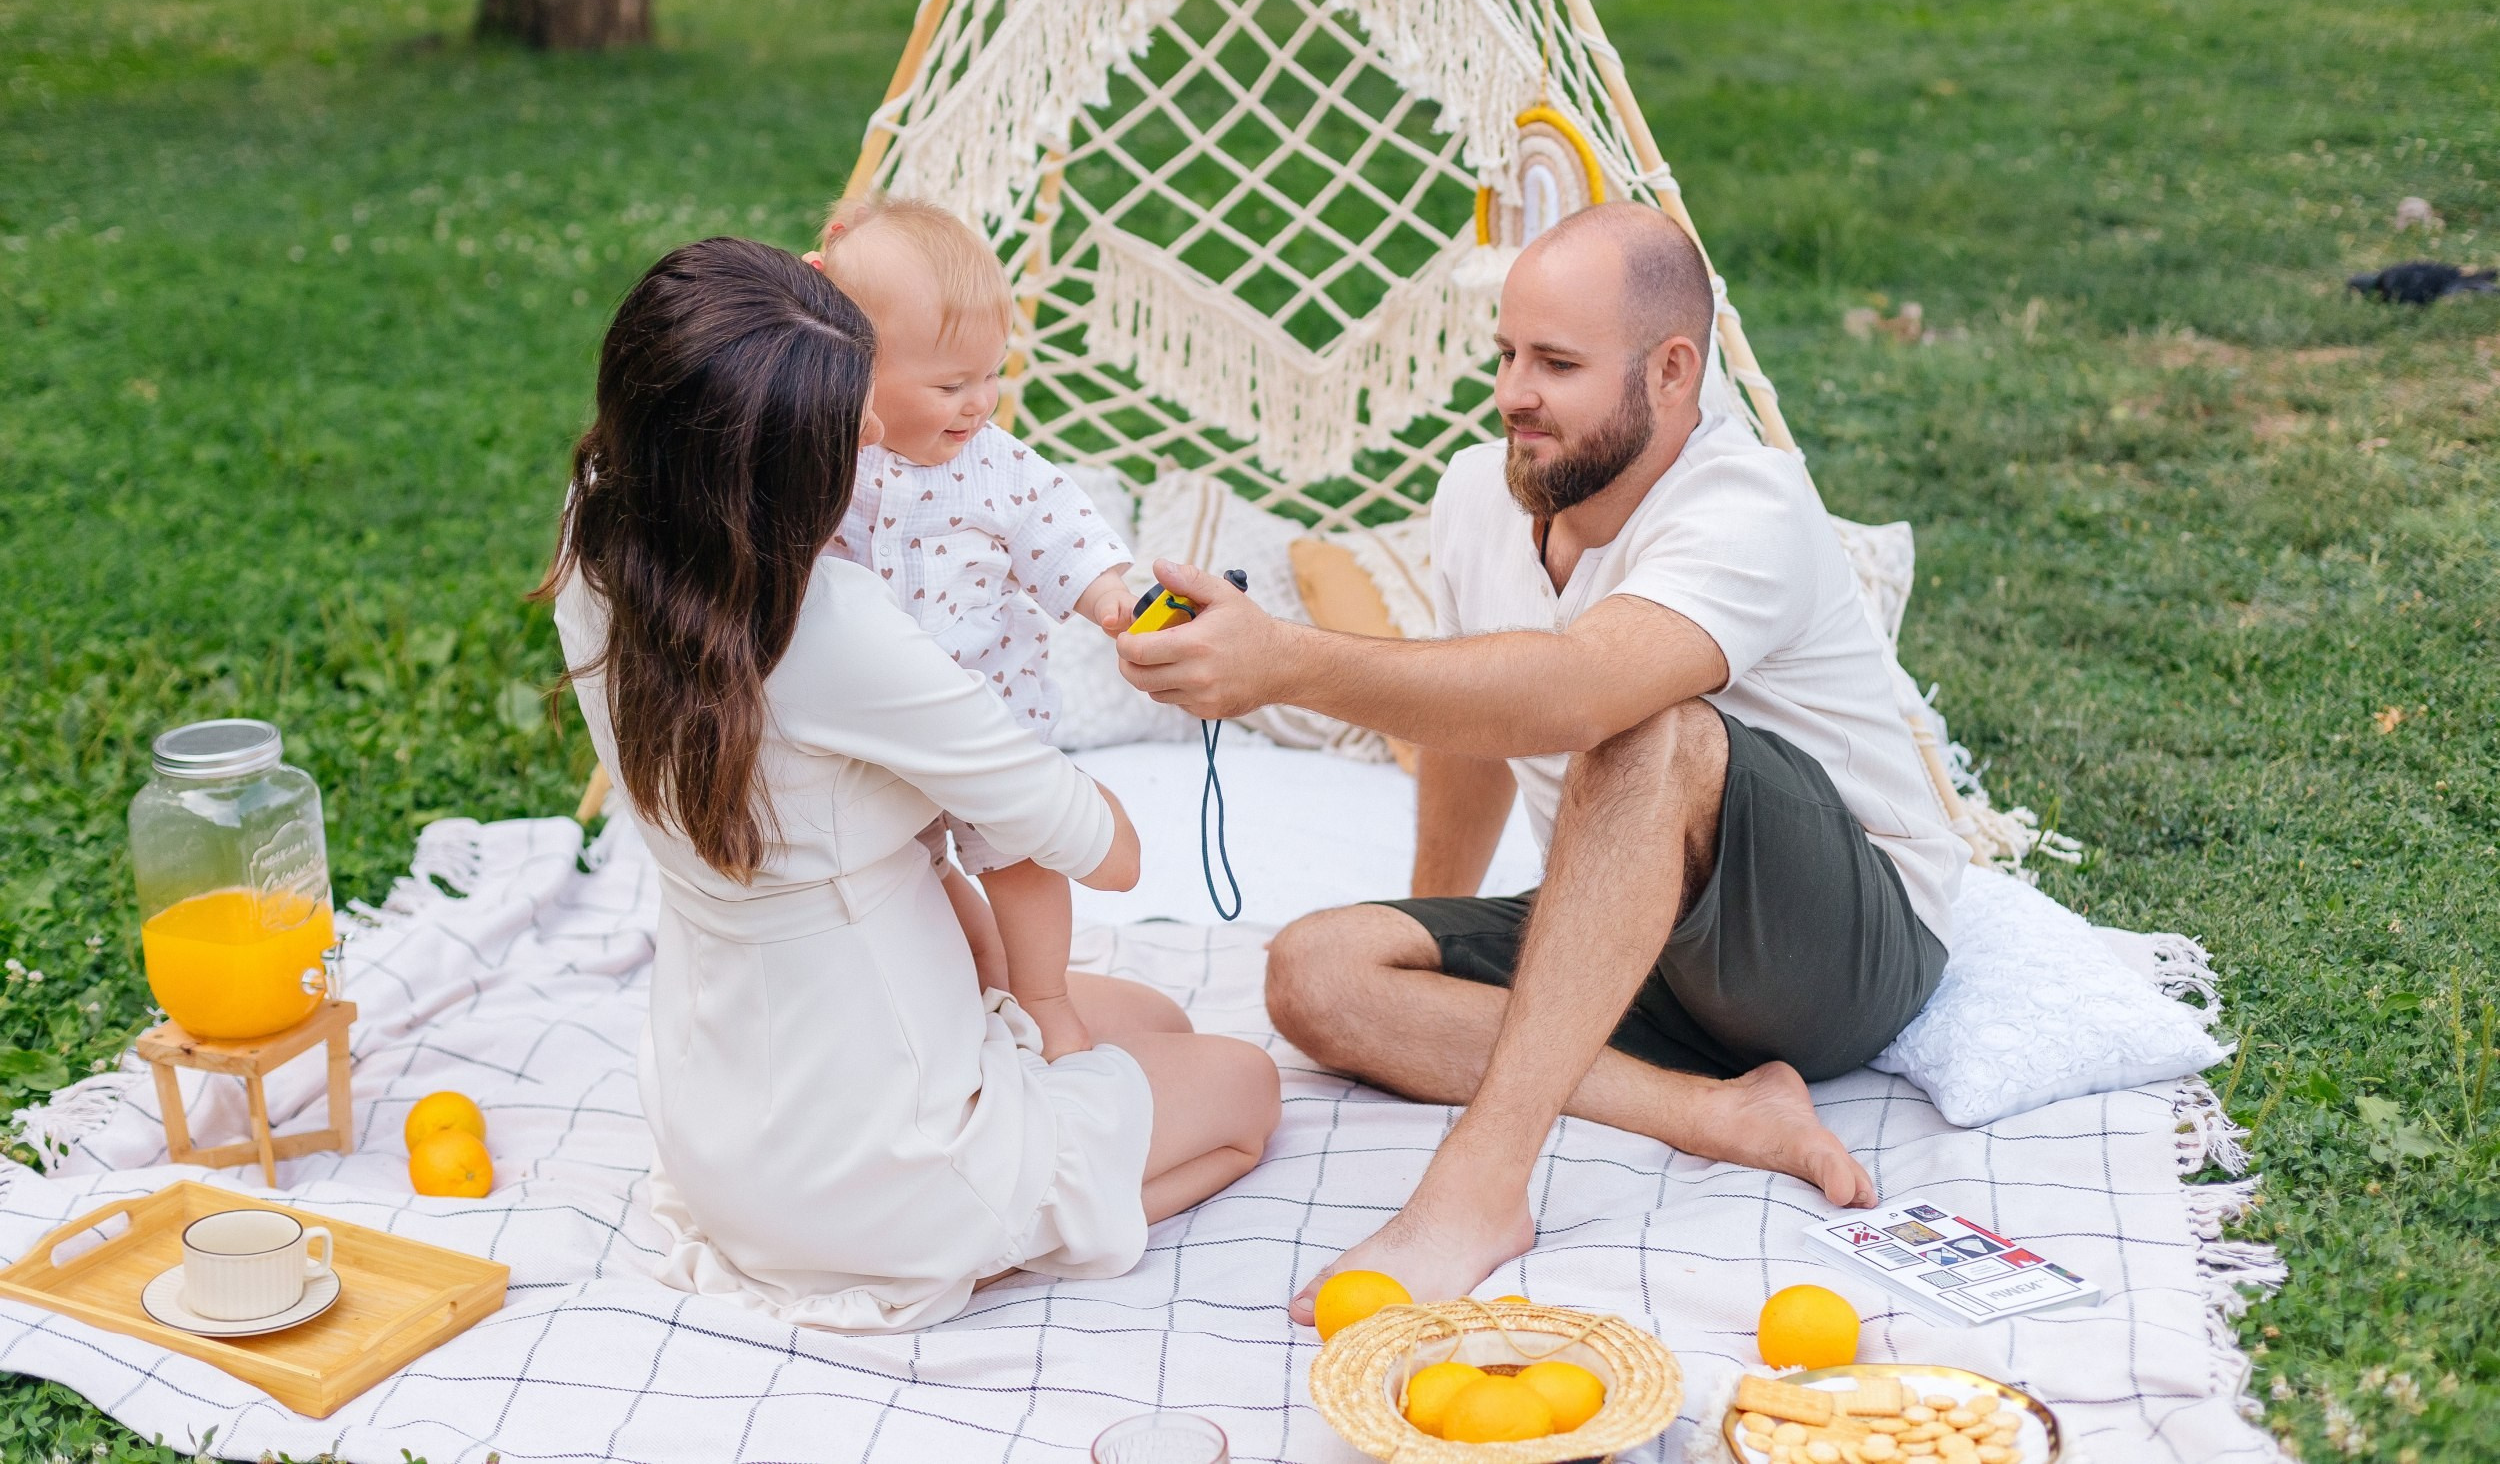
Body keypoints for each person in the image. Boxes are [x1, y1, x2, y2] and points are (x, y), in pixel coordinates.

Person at [1115, 203, 1962, 1320]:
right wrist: (1433, 930)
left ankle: (1479, 1185)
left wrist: (1280, 660)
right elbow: (1480, 729)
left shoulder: (1747, 503)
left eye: (1556, 363)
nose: (1514, 391)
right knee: (1317, 969)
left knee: (1643, 718)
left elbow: (1578, 691)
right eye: (1507, 354)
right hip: (1643, 938)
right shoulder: (1480, 491)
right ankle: (1714, 1113)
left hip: (1839, 945)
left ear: (1671, 371)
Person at [542, 237, 1279, 1333]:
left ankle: (959, 1204)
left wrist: (793, 309)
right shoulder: (835, 629)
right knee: (1246, 1093)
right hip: (879, 1157)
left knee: (1152, 1016)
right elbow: (1102, 846)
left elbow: (698, 366)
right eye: (848, 429)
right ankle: (971, 1246)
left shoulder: (602, 525)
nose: (881, 435)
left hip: (725, 1115)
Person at [808, 194, 1134, 1063]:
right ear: (851, 367)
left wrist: (1111, 601)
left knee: (1021, 859)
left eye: (992, 375)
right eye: (952, 385)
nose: (981, 403)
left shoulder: (997, 470)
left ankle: (1048, 997)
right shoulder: (826, 459)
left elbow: (1061, 530)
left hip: (988, 717)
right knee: (911, 870)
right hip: (870, 734)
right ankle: (974, 983)